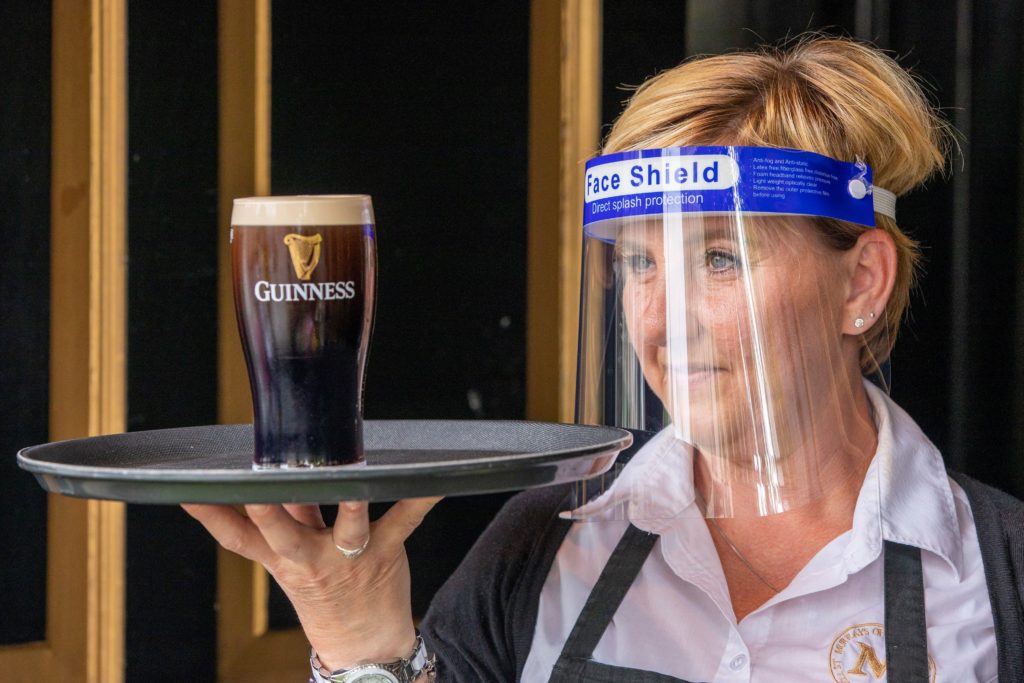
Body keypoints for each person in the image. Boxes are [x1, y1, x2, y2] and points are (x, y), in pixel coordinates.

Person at [185, 36, 1024, 682]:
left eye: (721, 258)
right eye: (639, 263)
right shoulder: (543, 543)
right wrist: (359, 633)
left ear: (862, 284)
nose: (664, 320)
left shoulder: (1001, 572)